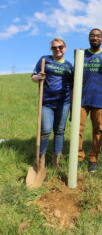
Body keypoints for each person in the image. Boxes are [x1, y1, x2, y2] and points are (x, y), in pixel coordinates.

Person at [32, 38, 73, 167]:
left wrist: (72, 106)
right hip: (46, 103)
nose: (57, 50)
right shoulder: (45, 60)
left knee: (60, 131)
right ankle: (41, 159)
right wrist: (38, 77)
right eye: (54, 48)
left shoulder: (69, 66)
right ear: (51, 50)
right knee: (45, 130)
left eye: (60, 47)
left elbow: (72, 87)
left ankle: (56, 159)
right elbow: (33, 76)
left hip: (64, 103)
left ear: (65, 48)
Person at [78, 28, 102, 172]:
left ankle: (93, 158)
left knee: (98, 129)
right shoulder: (82, 55)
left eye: (98, 36)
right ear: (89, 38)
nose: (95, 38)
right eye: (92, 36)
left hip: (99, 99)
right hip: (81, 100)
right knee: (78, 130)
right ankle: (78, 157)